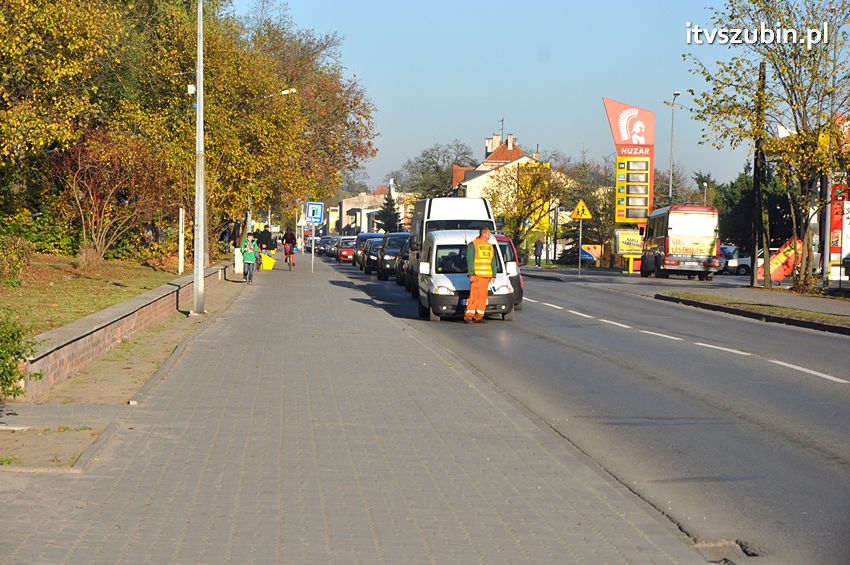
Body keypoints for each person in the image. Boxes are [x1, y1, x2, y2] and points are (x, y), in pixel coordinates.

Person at [464, 226, 498, 324]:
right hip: (476, 275)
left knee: (482, 297)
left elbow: (493, 262)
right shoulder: (473, 245)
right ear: (483, 233)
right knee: (473, 296)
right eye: (488, 233)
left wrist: (493, 275)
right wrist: (470, 274)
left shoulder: (490, 246)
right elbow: (470, 260)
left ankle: (479, 316)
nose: (489, 235)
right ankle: (469, 316)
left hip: (486, 276)